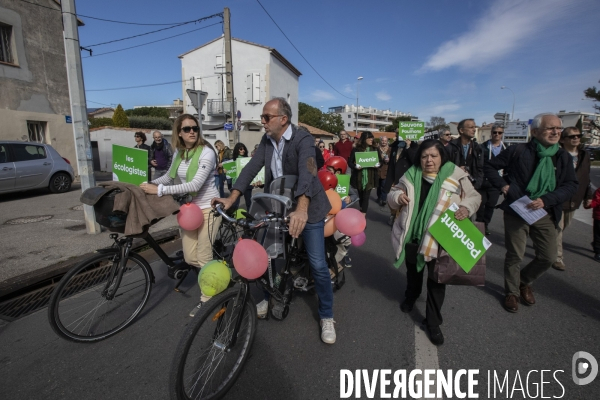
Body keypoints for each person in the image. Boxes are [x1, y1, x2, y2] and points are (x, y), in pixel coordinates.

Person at [211, 97, 337, 344]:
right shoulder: (267, 140)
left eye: (267, 117)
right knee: (269, 254)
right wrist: (231, 197)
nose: (262, 122)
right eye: (262, 117)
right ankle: (269, 296)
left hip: (307, 206)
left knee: (318, 264)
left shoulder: (303, 139)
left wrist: (301, 209)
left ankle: (327, 316)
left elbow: (309, 172)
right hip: (278, 204)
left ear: (283, 119)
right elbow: (250, 169)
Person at [388, 139, 481, 346]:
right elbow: (392, 194)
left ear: (442, 157)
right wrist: (398, 197)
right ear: (419, 158)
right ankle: (411, 296)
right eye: (424, 156)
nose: (429, 160)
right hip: (413, 235)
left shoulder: (456, 175)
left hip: (441, 238)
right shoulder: (411, 175)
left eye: (433, 156)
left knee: (438, 280)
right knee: (413, 273)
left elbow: (474, 196)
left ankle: (433, 322)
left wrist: (466, 207)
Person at [484, 113, 578, 313]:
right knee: (515, 254)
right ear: (535, 132)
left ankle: (523, 281)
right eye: (550, 128)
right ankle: (511, 292)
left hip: (544, 212)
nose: (555, 132)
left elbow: (570, 185)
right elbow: (490, 167)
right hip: (517, 210)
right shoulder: (518, 150)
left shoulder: (562, 157)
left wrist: (546, 200)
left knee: (549, 256)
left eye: (558, 129)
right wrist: (504, 186)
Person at [140, 114, 221, 317]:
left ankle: (209, 300)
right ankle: (216, 272)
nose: (192, 131)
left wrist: (157, 191)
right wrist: (148, 185)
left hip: (209, 208)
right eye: (187, 129)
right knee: (189, 256)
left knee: (203, 257)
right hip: (189, 210)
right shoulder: (179, 153)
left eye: (195, 128)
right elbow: (169, 177)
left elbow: (195, 185)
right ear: (179, 133)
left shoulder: (207, 152)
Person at [553, 127, 593, 270]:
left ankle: (545, 241)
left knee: (564, 227)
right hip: (558, 197)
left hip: (575, 198)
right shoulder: (556, 154)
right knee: (558, 227)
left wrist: (588, 196)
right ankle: (557, 257)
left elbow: (586, 177)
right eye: (571, 136)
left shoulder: (584, 155)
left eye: (578, 136)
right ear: (563, 140)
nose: (576, 138)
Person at [476, 123, 507, 235]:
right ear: (491, 133)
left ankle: (486, 224)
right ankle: (479, 224)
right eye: (495, 132)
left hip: (496, 182)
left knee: (491, 205)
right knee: (481, 203)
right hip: (483, 181)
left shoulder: (506, 148)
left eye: (499, 133)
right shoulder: (483, 147)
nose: (497, 135)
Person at [384, 135, 418, 226]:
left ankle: (398, 219)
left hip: (404, 178)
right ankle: (393, 214)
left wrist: (408, 146)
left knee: (401, 199)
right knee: (390, 196)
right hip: (393, 175)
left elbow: (414, 160)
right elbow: (392, 161)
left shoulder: (414, 146)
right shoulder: (396, 145)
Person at [348, 131, 382, 215]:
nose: (371, 139)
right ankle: (361, 210)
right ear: (364, 139)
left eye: (372, 137)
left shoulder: (375, 149)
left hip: (370, 178)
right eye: (369, 138)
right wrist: (355, 166)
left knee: (366, 197)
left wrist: (377, 165)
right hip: (359, 177)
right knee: (361, 197)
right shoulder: (356, 149)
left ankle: (363, 216)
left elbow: (380, 162)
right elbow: (350, 162)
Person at [446, 119, 484, 190]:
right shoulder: (451, 147)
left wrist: (476, 185)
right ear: (461, 130)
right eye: (471, 127)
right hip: (454, 185)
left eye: (474, 127)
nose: (474, 130)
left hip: (472, 187)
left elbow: (480, 169)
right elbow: (444, 167)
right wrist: (456, 170)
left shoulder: (477, 148)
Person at [231, 142, 254, 210]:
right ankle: (233, 216)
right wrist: (227, 171)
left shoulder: (248, 159)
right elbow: (230, 173)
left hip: (247, 183)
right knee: (235, 202)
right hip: (237, 184)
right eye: (240, 149)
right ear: (237, 150)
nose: (242, 150)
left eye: (243, 149)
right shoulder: (233, 161)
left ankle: (250, 217)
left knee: (249, 202)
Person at [376, 136, 392, 206]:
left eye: (385, 141)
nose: (384, 142)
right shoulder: (377, 149)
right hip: (378, 169)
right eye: (382, 140)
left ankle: (383, 199)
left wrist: (389, 160)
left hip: (386, 170)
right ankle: (379, 197)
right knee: (378, 186)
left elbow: (393, 159)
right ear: (380, 141)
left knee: (383, 185)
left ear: (387, 142)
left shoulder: (390, 149)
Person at [589, 187, 600, 262]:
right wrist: (589, 204)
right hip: (599, 217)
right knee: (598, 234)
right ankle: (598, 252)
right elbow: (596, 201)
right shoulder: (599, 191)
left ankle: (596, 245)